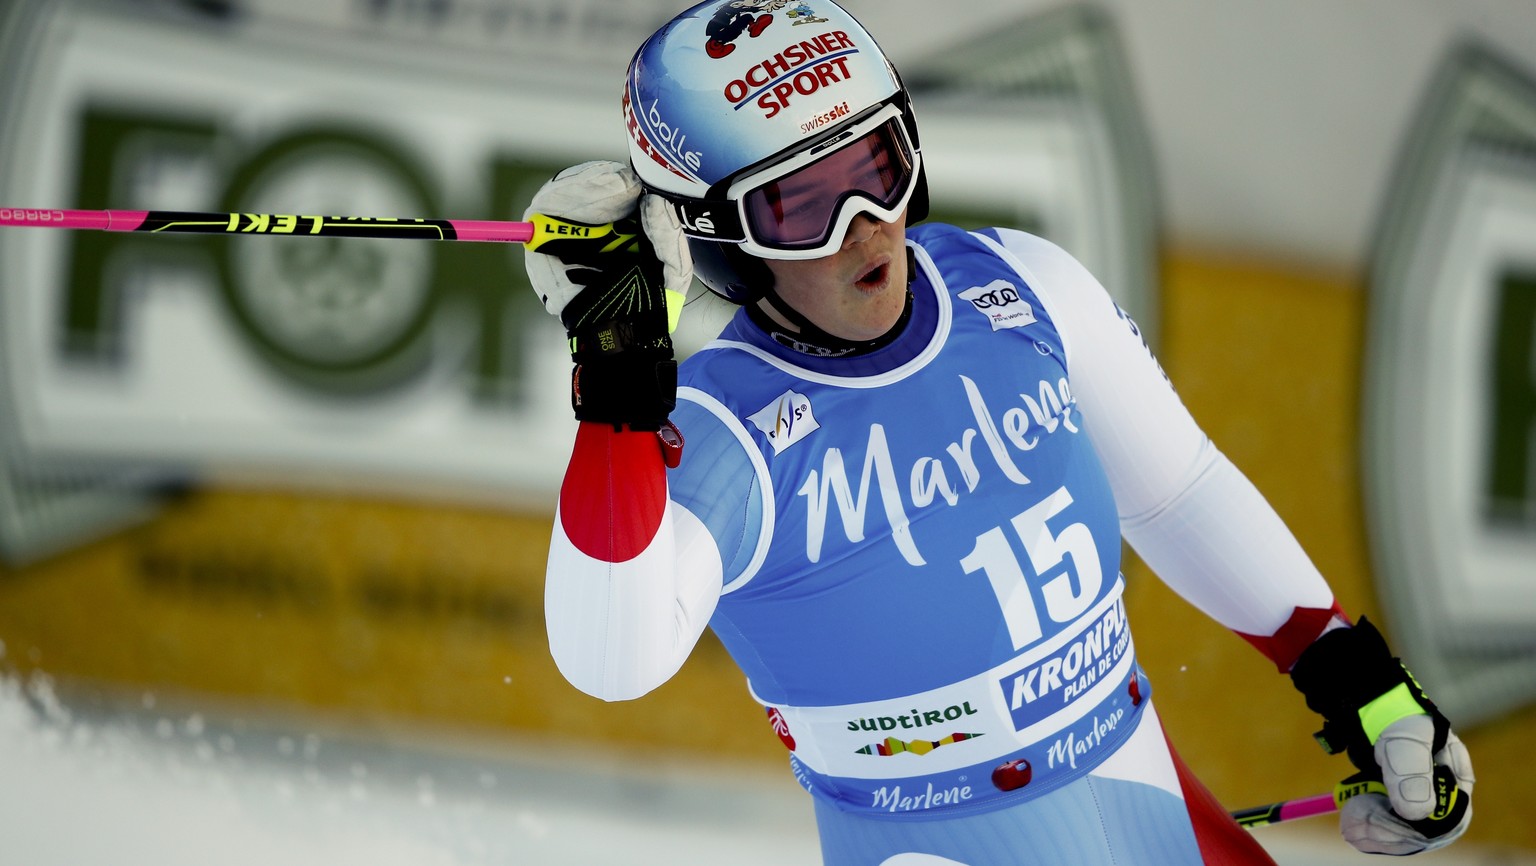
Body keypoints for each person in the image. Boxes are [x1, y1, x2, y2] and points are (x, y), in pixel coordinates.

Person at [520, 2, 1475, 863]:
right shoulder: (720, 437)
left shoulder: (1021, 286)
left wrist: (1369, 690)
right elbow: (611, 660)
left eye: (878, 167)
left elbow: (1179, 493)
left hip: (1152, 807)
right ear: (715, 238)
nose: (867, 228)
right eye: (803, 206)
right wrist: (616, 382)